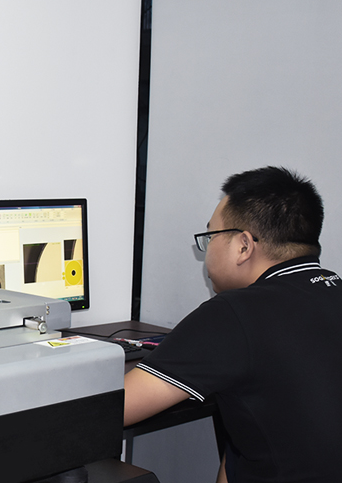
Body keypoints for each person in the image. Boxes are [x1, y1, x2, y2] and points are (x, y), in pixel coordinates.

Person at [124, 166, 342, 483]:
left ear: (243, 246)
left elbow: (119, 408)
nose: (207, 249)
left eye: (211, 236)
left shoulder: (234, 313)